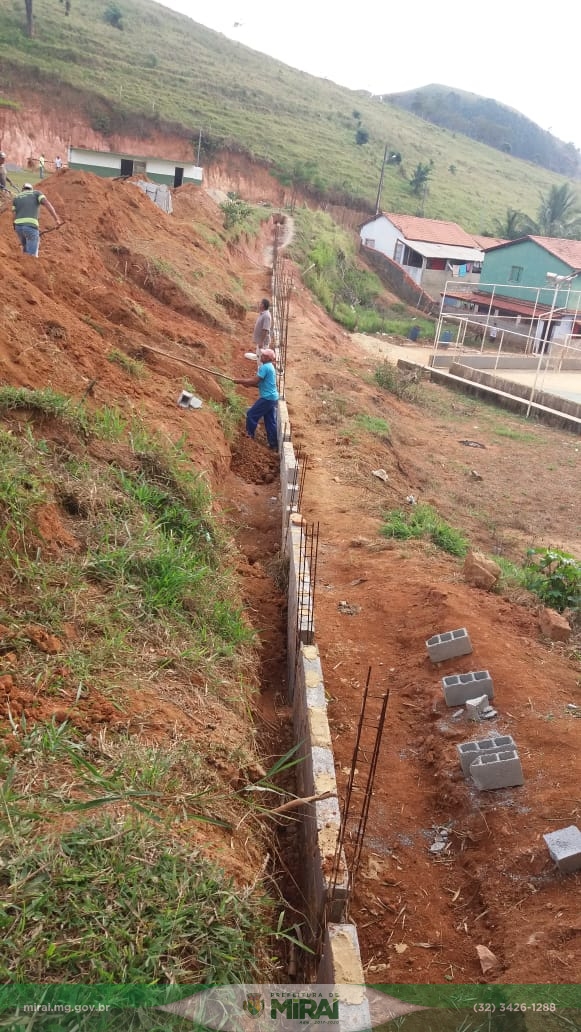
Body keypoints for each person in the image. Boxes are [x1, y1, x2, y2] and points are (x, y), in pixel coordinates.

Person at [233, 348, 279, 450]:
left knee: (251, 414)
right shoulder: (270, 367)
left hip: (267, 398)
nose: (260, 356)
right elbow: (263, 384)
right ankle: (274, 444)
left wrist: (240, 381)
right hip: (273, 398)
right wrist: (248, 384)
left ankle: (249, 437)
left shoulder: (265, 367)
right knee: (270, 420)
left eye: (263, 355)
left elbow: (255, 380)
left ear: (267, 358)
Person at [12, 183, 62, 258]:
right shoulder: (36, 193)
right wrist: (56, 219)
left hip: (18, 227)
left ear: (23, 190)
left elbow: (13, 214)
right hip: (30, 227)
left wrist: (15, 226)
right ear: (31, 189)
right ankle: (31, 265)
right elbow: (47, 204)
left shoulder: (16, 197)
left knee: (25, 251)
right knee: (32, 256)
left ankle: (24, 265)